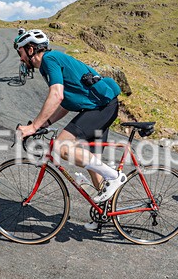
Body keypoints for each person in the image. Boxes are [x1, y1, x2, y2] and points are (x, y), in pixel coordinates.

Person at [15, 29, 125, 211]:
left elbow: (56, 95)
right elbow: (64, 103)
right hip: (102, 106)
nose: (21, 59)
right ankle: (107, 215)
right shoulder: (51, 63)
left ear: (31, 49)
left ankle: (114, 176)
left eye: (21, 53)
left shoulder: (49, 60)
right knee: (93, 166)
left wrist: (33, 127)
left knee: (61, 147)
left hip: (101, 108)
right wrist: (44, 124)